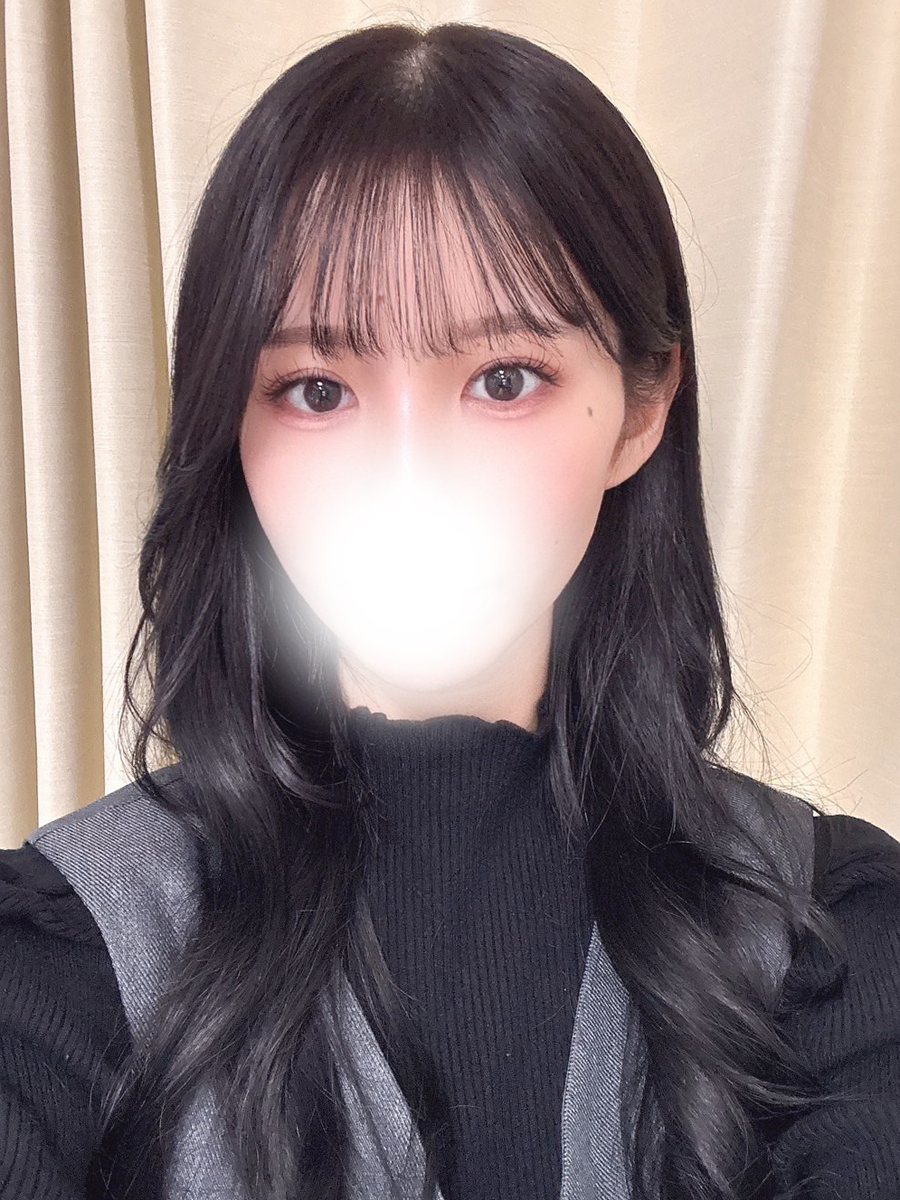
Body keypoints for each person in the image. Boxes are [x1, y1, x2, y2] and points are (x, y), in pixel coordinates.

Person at [2, 19, 899, 1200]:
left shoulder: (834, 937)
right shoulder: (63, 949)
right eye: (315, 389)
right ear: (232, 426)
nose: (409, 477)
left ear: (640, 409)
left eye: (505, 380)